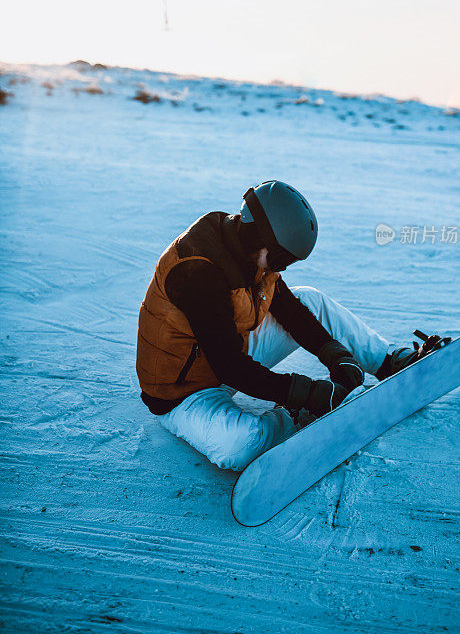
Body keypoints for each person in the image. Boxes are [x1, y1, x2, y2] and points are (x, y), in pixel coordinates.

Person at [136, 180, 441, 471]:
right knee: (237, 447)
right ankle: (299, 419)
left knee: (310, 300)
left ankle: (387, 361)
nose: (283, 268)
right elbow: (230, 366)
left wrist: (335, 354)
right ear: (261, 238)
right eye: (282, 260)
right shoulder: (197, 272)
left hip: (226, 352)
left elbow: (289, 310)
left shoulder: (249, 251)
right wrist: (307, 395)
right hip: (182, 392)